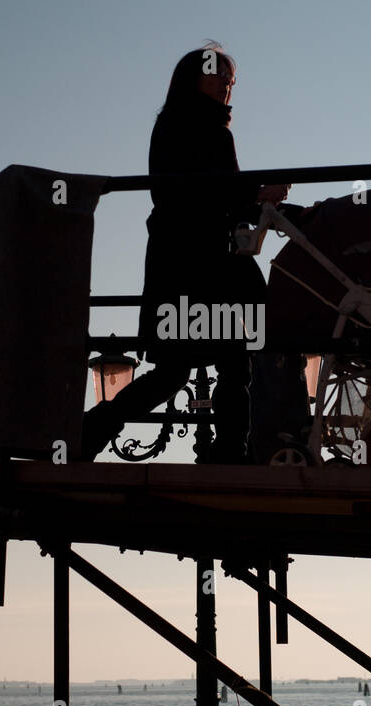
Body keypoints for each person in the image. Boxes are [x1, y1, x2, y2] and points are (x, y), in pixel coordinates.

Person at [80, 43, 299, 463]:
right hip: (200, 262)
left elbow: (211, 195)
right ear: (192, 77)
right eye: (218, 74)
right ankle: (231, 451)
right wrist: (260, 196)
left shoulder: (179, 124)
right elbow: (208, 193)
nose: (225, 84)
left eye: (230, 79)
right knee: (229, 362)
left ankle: (96, 427)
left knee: (186, 368)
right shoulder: (200, 128)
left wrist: (260, 199)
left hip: (184, 261)